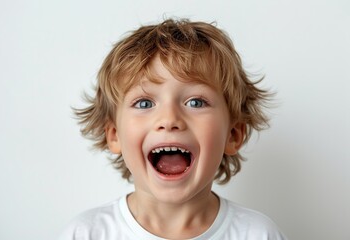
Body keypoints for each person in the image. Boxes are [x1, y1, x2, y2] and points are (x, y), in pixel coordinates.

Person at [59, 18, 287, 240]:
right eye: (144, 103)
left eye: (196, 102)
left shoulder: (258, 234)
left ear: (233, 135)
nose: (169, 119)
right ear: (115, 135)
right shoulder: (86, 234)